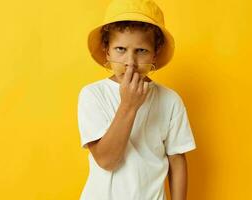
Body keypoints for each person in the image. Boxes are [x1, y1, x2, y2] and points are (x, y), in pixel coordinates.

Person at [77, 0, 197, 199]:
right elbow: (107, 160)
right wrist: (128, 105)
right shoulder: (92, 95)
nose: (130, 63)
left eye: (141, 51)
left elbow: (177, 161)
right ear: (107, 50)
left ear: (155, 53)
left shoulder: (170, 100)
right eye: (120, 49)